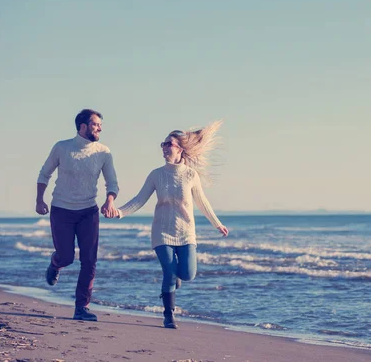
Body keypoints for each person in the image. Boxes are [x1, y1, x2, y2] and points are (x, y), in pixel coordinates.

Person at [112, 120, 228, 329]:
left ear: (180, 150)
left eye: (169, 144)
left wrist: (217, 224)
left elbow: (202, 202)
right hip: (162, 232)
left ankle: (175, 281)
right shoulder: (156, 174)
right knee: (169, 272)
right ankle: (169, 315)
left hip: (186, 233)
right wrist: (120, 212)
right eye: (163, 144)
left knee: (188, 274)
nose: (165, 147)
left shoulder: (191, 175)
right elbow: (140, 199)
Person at [36, 108, 119, 321]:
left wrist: (109, 200)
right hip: (62, 209)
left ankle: (81, 308)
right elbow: (45, 173)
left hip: (88, 212)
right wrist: (39, 199)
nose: (100, 128)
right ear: (82, 126)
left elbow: (112, 182)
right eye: (95, 124)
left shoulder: (103, 151)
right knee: (66, 257)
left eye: (100, 124)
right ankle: (55, 264)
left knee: (89, 261)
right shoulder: (62, 147)